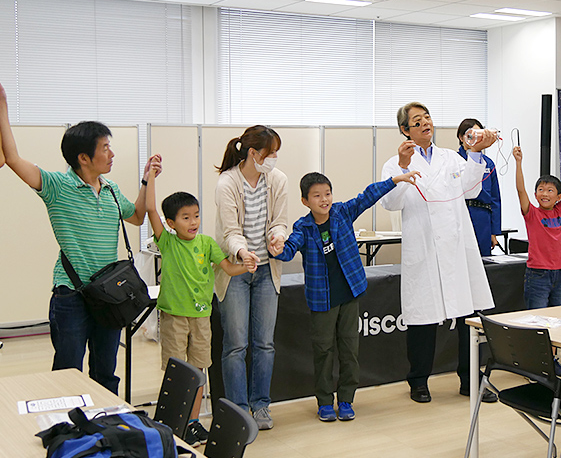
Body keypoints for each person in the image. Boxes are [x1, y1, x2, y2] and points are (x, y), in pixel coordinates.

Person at [0, 82, 161, 394]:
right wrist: (3, 105)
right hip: (71, 295)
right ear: (83, 157)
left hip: (109, 296)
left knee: (106, 374)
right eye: (105, 148)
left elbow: (138, 216)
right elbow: (13, 158)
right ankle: (68, 424)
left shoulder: (111, 190)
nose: (111, 154)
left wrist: (147, 179)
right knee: (67, 374)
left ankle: (105, 421)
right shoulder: (56, 186)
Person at [270, 171, 420, 422]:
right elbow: (289, 249)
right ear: (305, 201)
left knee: (350, 350)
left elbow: (367, 197)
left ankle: (347, 400)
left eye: (327, 193)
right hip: (322, 299)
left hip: (349, 293)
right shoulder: (303, 227)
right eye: (317, 196)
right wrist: (277, 249)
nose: (324, 200)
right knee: (323, 351)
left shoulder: (342, 213)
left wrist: (394, 181)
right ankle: (324, 402)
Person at [380, 101, 498, 404]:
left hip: (457, 247)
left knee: (468, 316)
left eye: (427, 118)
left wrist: (475, 154)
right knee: (423, 319)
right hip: (424, 248)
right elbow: (391, 203)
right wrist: (403, 168)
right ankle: (418, 381)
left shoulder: (450, 158)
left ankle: (470, 380)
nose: (425, 124)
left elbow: (471, 189)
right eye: (417, 121)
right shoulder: (394, 163)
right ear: (405, 130)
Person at [145, 177, 251, 446]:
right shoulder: (167, 242)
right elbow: (151, 209)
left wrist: (248, 265)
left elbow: (228, 269)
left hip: (202, 317)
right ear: (171, 223)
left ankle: (192, 423)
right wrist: (151, 176)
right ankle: (175, 423)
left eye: (196, 215)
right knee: (176, 370)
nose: (193, 222)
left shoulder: (206, 243)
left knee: (198, 369)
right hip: (174, 317)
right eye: (185, 217)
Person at [215, 125, 288, 430]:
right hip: (236, 271)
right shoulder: (227, 183)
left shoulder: (278, 180)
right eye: (270, 153)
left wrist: (278, 237)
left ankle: (261, 405)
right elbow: (230, 232)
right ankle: (238, 409)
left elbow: (281, 222)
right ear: (253, 153)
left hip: (267, 270)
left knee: (264, 343)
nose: (274, 159)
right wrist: (243, 253)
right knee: (235, 344)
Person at [512, 144, 561, 379]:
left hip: (559, 274)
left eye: (550, 190)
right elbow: (520, 190)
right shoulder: (532, 213)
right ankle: (534, 365)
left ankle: (551, 361)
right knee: (537, 322)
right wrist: (519, 162)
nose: (544, 193)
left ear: (558, 196)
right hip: (538, 275)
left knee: (554, 322)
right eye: (541, 190)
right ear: (536, 195)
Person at [457, 118, 501, 256]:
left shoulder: (488, 163)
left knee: (483, 258)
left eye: (478, 134)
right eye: (471, 135)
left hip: (482, 216)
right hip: (461, 213)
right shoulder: (453, 160)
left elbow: (495, 198)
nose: (475, 138)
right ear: (461, 137)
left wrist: (494, 231)